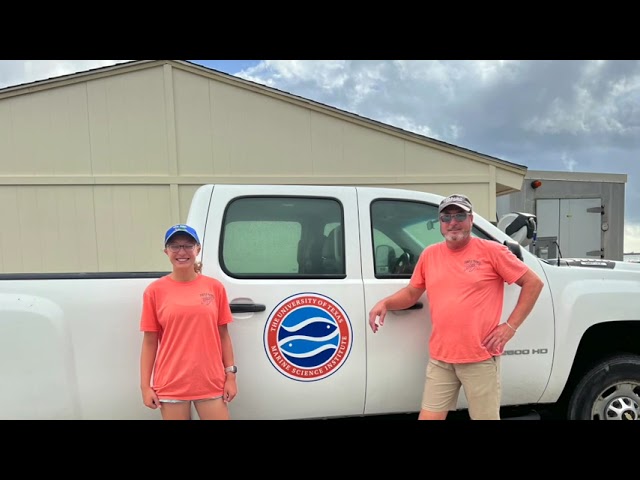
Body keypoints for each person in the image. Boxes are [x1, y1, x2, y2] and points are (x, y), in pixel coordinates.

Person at [368, 194, 544, 420]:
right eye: (446, 217)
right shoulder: (430, 254)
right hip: (441, 358)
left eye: (460, 215)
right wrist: (386, 303)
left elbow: (533, 283)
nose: (453, 222)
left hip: (480, 357)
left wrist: (510, 327)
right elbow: (412, 293)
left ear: (471, 219)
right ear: (439, 223)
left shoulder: (492, 251)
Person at [139, 224, 238, 420]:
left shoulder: (214, 287)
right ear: (166, 251)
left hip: (210, 381)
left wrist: (231, 376)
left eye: (187, 245)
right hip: (171, 383)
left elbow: (223, 335)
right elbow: (150, 342)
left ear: (197, 249)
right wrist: (145, 386)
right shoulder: (155, 291)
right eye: (174, 246)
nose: (181, 252)